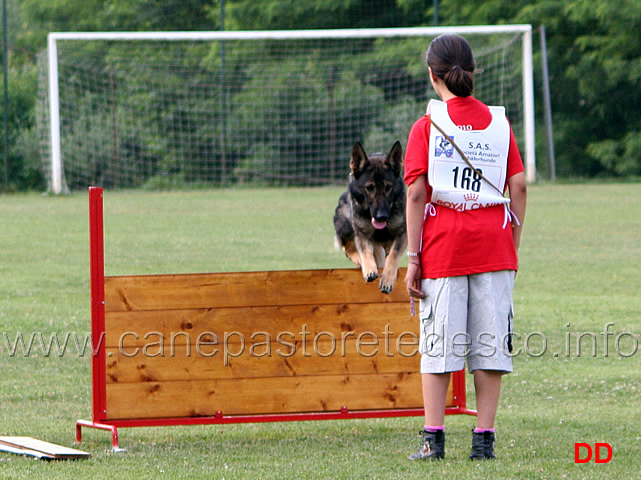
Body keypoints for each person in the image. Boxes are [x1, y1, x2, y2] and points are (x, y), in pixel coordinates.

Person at [404, 34, 527, 461]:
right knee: (489, 346)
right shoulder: (500, 123)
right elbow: (519, 185)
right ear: (473, 72)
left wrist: (413, 257)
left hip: (443, 249)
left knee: (439, 345)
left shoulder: (427, 126)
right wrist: (512, 240)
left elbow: (417, 194)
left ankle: (433, 441)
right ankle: (483, 441)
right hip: (494, 244)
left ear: (432, 75)